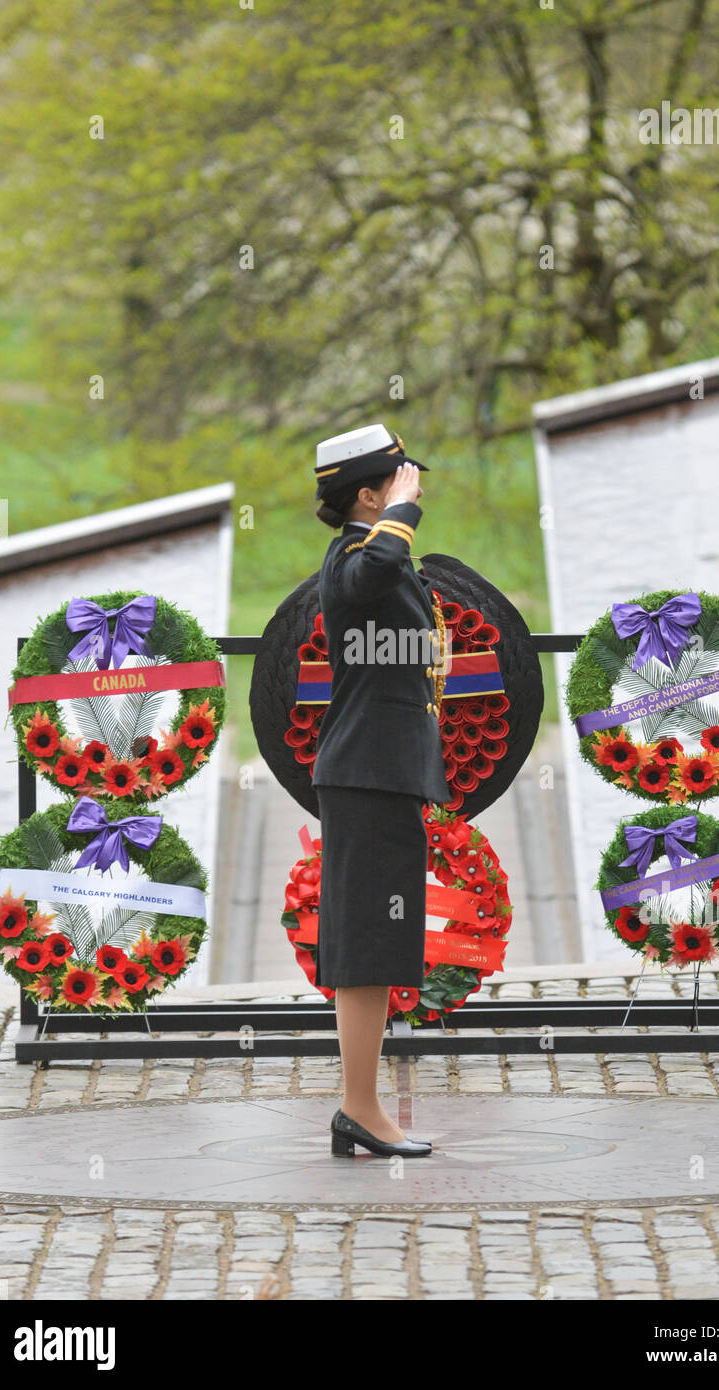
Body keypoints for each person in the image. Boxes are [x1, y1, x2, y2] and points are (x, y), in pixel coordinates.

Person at [311, 423, 451, 1158]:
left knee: (373, 944)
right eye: (397, 482)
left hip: (381, 773)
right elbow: (376, 568)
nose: (413, 488)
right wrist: (402, 512)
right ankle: (360, 1109)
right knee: (366, 946)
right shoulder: (352, 560)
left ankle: (359, 1108)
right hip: (366, 774)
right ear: (368, 497)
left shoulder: (373, 557)